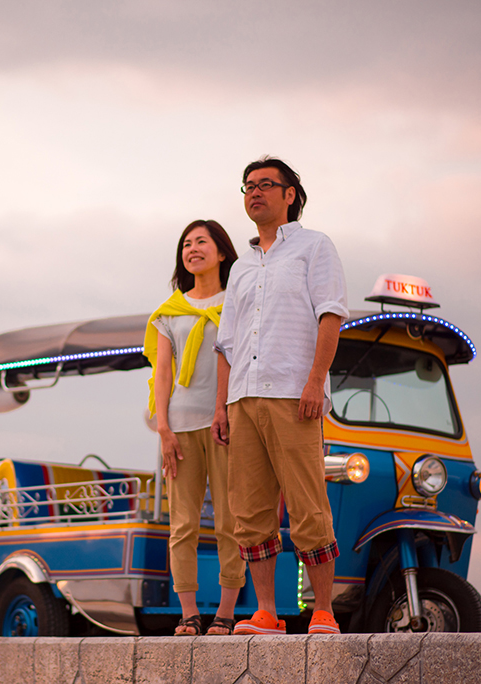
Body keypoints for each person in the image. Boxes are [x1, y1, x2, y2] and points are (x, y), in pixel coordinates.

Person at [212, 157, 348, 636]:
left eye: (266, 185)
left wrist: (316, 381)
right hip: (242, 400)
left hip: (294, 393)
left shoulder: (315, 247)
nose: (255, 193)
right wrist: (221, 407)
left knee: (308, 505)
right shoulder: (242, 266)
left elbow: (331, 315)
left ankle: (323, 612)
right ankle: (267, 612)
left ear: (290, 194)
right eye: (248, 186)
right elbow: (226, 342)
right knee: (248, 512)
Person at [144, 219, 245, 636]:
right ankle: (188, 614)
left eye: (202, 242)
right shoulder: (170, 312)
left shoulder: (236, 303)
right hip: (179, 428)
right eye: (186, 244)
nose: (192, 249)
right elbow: (162, 374)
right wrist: (163, 430)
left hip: (227, 425)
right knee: (182, 524)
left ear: (222, 252)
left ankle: (225, 613)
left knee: (230, 522)